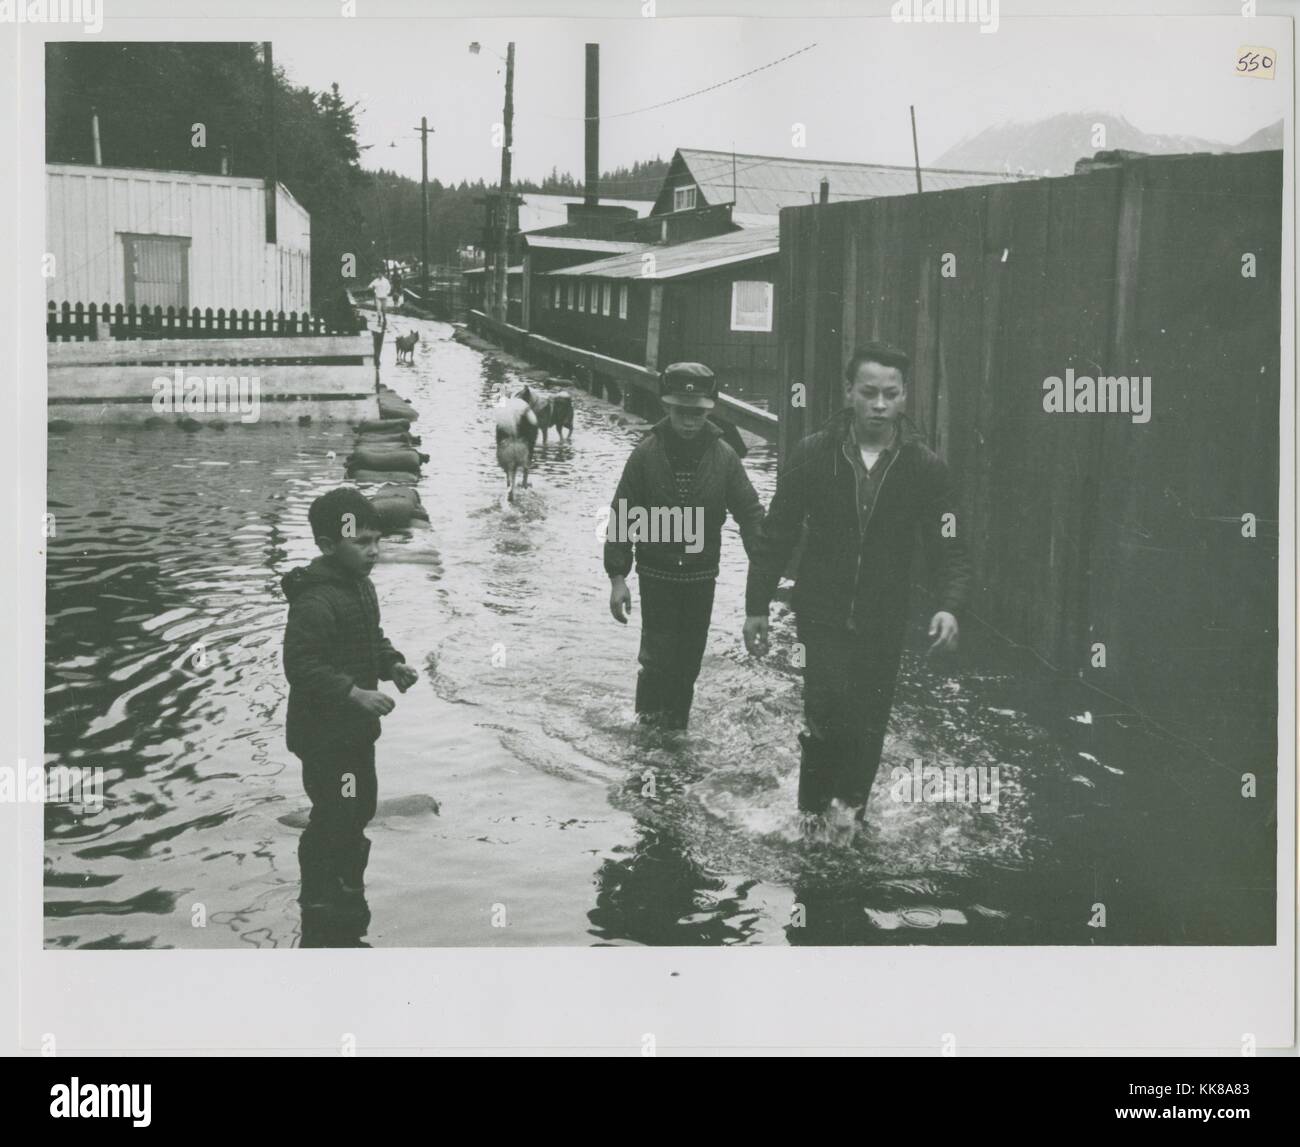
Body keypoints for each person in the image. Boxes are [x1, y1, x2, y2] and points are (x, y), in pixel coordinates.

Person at [743, 341, 970, 842]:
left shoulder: (925, 468)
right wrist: (756, 606)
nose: (880, 404)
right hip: (820, 613)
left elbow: (949, 544)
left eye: (891, 393)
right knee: (825, 710)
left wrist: (949, 606)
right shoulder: (813, 454)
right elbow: (775, 534)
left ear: (905, 396)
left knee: (867, 721)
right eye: (869, 392)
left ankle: (849, 818)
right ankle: (808, 819)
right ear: (850, 392)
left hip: (884, 618)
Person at [606, 362, 764, 730]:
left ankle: (676, 731)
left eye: (697, 413)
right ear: (667, 408)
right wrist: (617, 577)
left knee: (688, 660)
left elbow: (751, 515)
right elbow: (622, 514)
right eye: (682, 412)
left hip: (700, 576)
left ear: (709, 410)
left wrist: (765, 573)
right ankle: (646, 729)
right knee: (656, 659)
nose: (689, 421)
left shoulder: (725, 457)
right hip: (656, 573)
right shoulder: (645, 453)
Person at [281, 487, 418, 910]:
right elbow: (301, 666)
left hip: (355, 734)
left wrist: (391, 665)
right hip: (323, 736)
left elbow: (370, 640)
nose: (373, 551)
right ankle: (320, 894)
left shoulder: (361, 588)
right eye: (360, 543)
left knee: (359, 807)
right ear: (327, 545)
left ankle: (348, 882)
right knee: (335, 812)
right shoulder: (315, 600)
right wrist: (354, 692)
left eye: (377, 540)